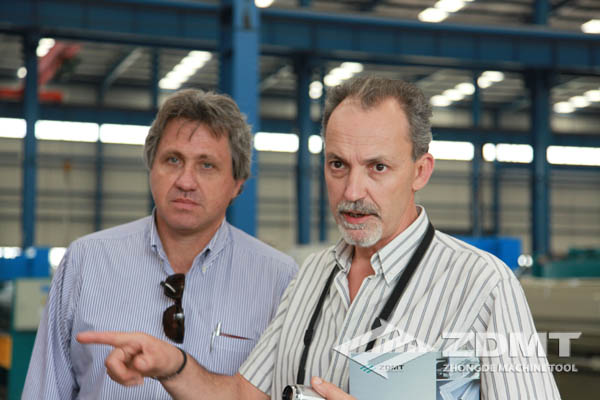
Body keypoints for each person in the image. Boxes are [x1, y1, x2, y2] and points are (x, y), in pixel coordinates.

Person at [78, 76, 561, 399]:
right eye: (337, 165)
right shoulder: (312, 276)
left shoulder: (481, 286)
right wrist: (174, 365)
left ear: (420, 170)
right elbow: (245, 395)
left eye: (378, 168)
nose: (352, 191)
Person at [23, 89, 298, 399]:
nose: (185, 181)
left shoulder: (278, 279)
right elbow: (44, 390)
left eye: (206, 165)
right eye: (173, 160)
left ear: (237, 183)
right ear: (151, 167)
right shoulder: (86, 261)